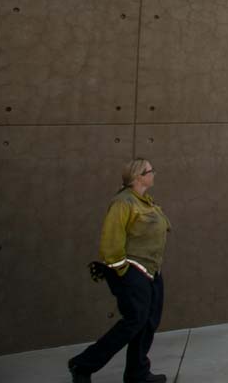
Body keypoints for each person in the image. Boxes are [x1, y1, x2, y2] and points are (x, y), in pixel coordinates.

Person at [68, 159, 172, 383]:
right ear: (138, 177)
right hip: (133, 272)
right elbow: (111, 242)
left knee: (148, 322)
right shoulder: (123, 202)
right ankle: (82, 364)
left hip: (152, 271)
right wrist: (122, 271)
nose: (154, 173)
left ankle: (137, 373)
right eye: (150, 170)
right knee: (134, 321)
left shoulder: (145, 201)